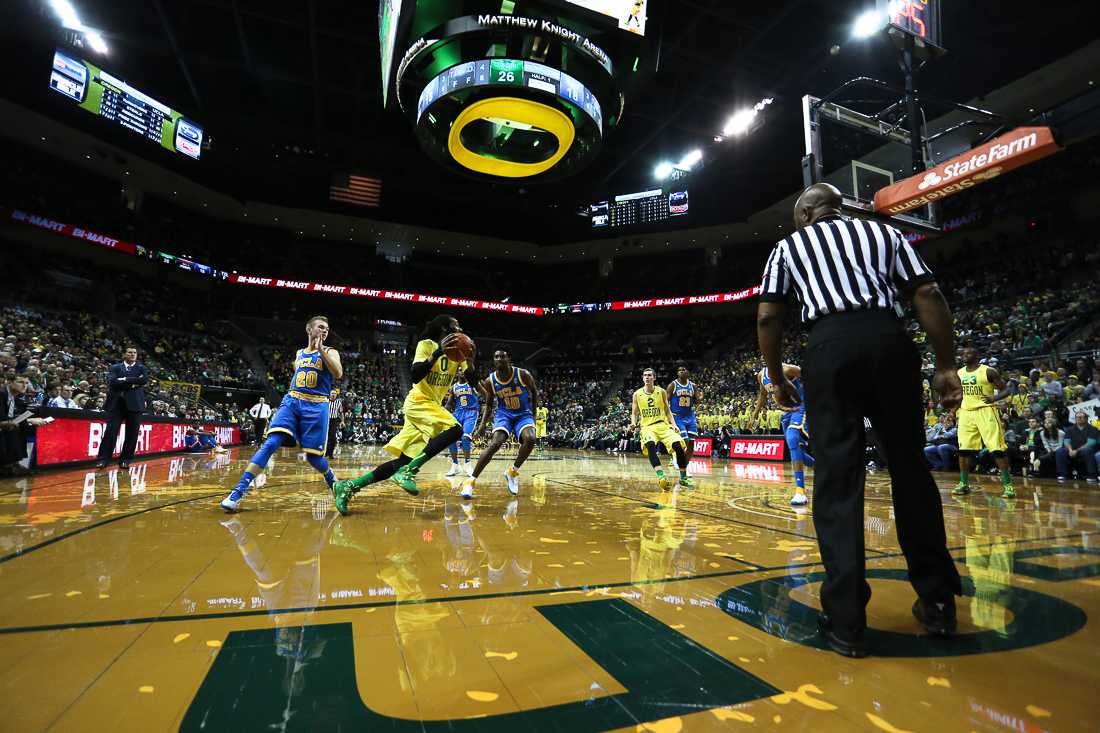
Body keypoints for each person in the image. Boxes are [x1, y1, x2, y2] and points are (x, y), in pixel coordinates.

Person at [757, 182, 963, 657]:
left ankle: (847, 623)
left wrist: (774, 376)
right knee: (910, 470)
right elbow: (927, 291)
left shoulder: (789, 247)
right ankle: (937, 602)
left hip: (828, 347)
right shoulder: (884, 234)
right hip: (888, 340)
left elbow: (769, 316)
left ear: (807, 213)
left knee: (836, 480)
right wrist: (946, 364)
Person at [332, 315, 472, 514]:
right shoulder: (427, 345)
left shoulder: (459, 354)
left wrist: (470, 360)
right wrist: (438, 352)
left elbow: (473, 380)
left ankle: (348, 487)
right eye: (453, 328)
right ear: (442, 330)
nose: (458, 332)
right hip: (418, 402)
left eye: (460, 328)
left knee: (403, 460)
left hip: (431, 407)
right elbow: (415, 375)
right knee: (456, 429)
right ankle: (410, 472)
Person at [220, 316, 343, 512]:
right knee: (270, 443)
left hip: (317, 406)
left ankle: (334, 481)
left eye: (327, 329)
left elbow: (338, 373)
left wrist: (320, 350)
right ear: (309, 329)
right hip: (292, 401)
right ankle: (237, 491)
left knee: (313, 458)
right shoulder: (299, 354)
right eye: (320, 327)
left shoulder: (330, 351)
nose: (324, 331)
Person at [462, 349, 540, 499]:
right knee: (495, 444)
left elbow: (534, 392)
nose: (498, 359)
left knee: (530, 439)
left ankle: (512, 471)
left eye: (502, 356)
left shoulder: (523, 374)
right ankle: (470, 481)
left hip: (523, 414)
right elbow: (489, 404)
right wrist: (482, 425)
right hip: (504, 414)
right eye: (496, 357)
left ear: (509, 358)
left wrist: (534, 417)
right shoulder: (490, 381)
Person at [954, 346, 1016, 498]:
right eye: (963, 354)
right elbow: (960, 393)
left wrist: (994, 398)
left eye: (968, 353)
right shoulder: (959, 372)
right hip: (966, 413)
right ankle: (964, 483)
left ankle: (1008, 486)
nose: (964, 356)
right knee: (964, 450)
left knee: (997, 449)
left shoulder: (988, 371)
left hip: (986, 411)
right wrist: (953, 411)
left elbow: (1006, 390)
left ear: (976, 356)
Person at [749, 363, 813, 506]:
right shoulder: (761, 375)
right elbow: (762, 395)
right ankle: (823, 468)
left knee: (792, 438)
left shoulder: (787, 369)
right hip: (786, 412)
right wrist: (754, 415)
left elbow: (811, 375)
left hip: (800, 406)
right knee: (798, 451)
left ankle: (800, 491)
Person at [631, 368, 693, 491]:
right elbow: (634, 413)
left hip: (663, 425)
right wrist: (633, 423)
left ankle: (683, 477)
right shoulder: (637, 394)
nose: (647, 377)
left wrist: (674, 424)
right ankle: (661, 476)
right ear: (643, 378)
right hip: (648, 427)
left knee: (678, 446)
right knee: (650, 445)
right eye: (645, 375)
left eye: (649, 375)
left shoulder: (662, 392)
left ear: (654, 378)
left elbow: (667, 410)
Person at [95, 346, 149, 470]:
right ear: (124, 354)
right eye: (130, 352)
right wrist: (134, 382)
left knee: (132, 434)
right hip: (116, 403)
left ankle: (125, 459)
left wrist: (124, 380)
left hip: (135, 404)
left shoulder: (141, 368)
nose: (132, 354)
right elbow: (112, 382)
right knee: (110, 432)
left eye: (134, 352)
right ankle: (103, 459)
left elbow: (144, 380)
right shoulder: (115, 367)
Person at [1, 375, 48, 476]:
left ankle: (14, 463)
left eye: (26, 383)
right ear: (9, 382)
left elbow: (11, 418)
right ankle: (7, 465)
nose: (24, 385)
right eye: (21, 382)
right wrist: (29, 420)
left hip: (4, 425)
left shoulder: (14, 398)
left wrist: (28, 421)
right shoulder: (1, 394)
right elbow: (2, 419)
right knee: (12, 428)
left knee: (22, 428)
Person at [444, 372, 483, 477]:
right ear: (457, 372)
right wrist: (443, 412)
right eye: (460, 369)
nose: (462, 372)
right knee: (450, 438)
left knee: (466, 437)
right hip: (458, 413)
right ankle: (455, 465)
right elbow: (449, 403)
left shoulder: (473, 384)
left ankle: (467, 464)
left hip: (471, 413)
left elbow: (486, 394)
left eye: (464, 369)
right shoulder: (454, 387)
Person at [667, 365, 701, 473]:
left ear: (688, 372)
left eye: (683, 370)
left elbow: (697, 401)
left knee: (691, 444)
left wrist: (699, 398)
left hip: (690, 416)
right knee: (684, 441)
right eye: (679, 370)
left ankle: (684, 468)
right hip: (677, 416)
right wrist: (668, 417)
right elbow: (665, 402)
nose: (681, 371)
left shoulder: (693, 386)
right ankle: (675, 458)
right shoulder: (673, 385)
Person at [1056, 410, 1098, 482]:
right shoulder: (1070, 429)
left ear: (1086, 418)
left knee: (1087, 450)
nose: (1079, 419)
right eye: (1077, 417)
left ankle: (1092, 475)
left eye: (1081, 417)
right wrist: (1070, 450)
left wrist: (1076, 450)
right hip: (1072, 449)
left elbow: (1091, 442)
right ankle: (1063, 474)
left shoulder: (1093, 429)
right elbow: (1066, 441)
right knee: (1060, 451)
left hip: (1086, 449)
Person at [326, 388, 345, 459]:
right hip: (326, 420)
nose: (333, 395)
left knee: (333, 438)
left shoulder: (338, 402)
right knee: (325, 438)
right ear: (329, 394)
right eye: (332, 393)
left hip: (334, 420)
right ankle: (325, 453)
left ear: (336, 395)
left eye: (334, 393)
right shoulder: (326, 401)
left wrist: (342, 421)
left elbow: (341, 413)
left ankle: (330, 453)